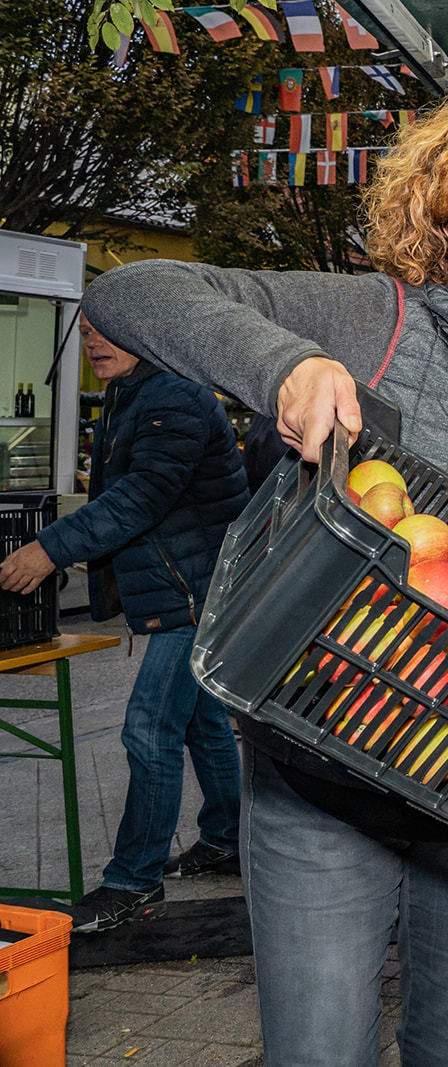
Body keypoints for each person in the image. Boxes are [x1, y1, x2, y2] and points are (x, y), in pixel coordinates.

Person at [81, 89, 448, 1066]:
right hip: (321, 782)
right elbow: (130, 294)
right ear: (444, 225)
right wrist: (287, 365)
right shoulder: (377, 321)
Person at [0, 317, 251, 930]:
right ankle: (227, 838)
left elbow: (141, 494)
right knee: (202, 722)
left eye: (108, 331)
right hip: (183, 585)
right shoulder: (132, 393)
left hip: (199, 590)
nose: (94, 344)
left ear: (150, 334)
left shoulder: (176, 397)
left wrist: (48, 550)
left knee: (148, 729)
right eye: (86, 333)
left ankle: (133, 880)